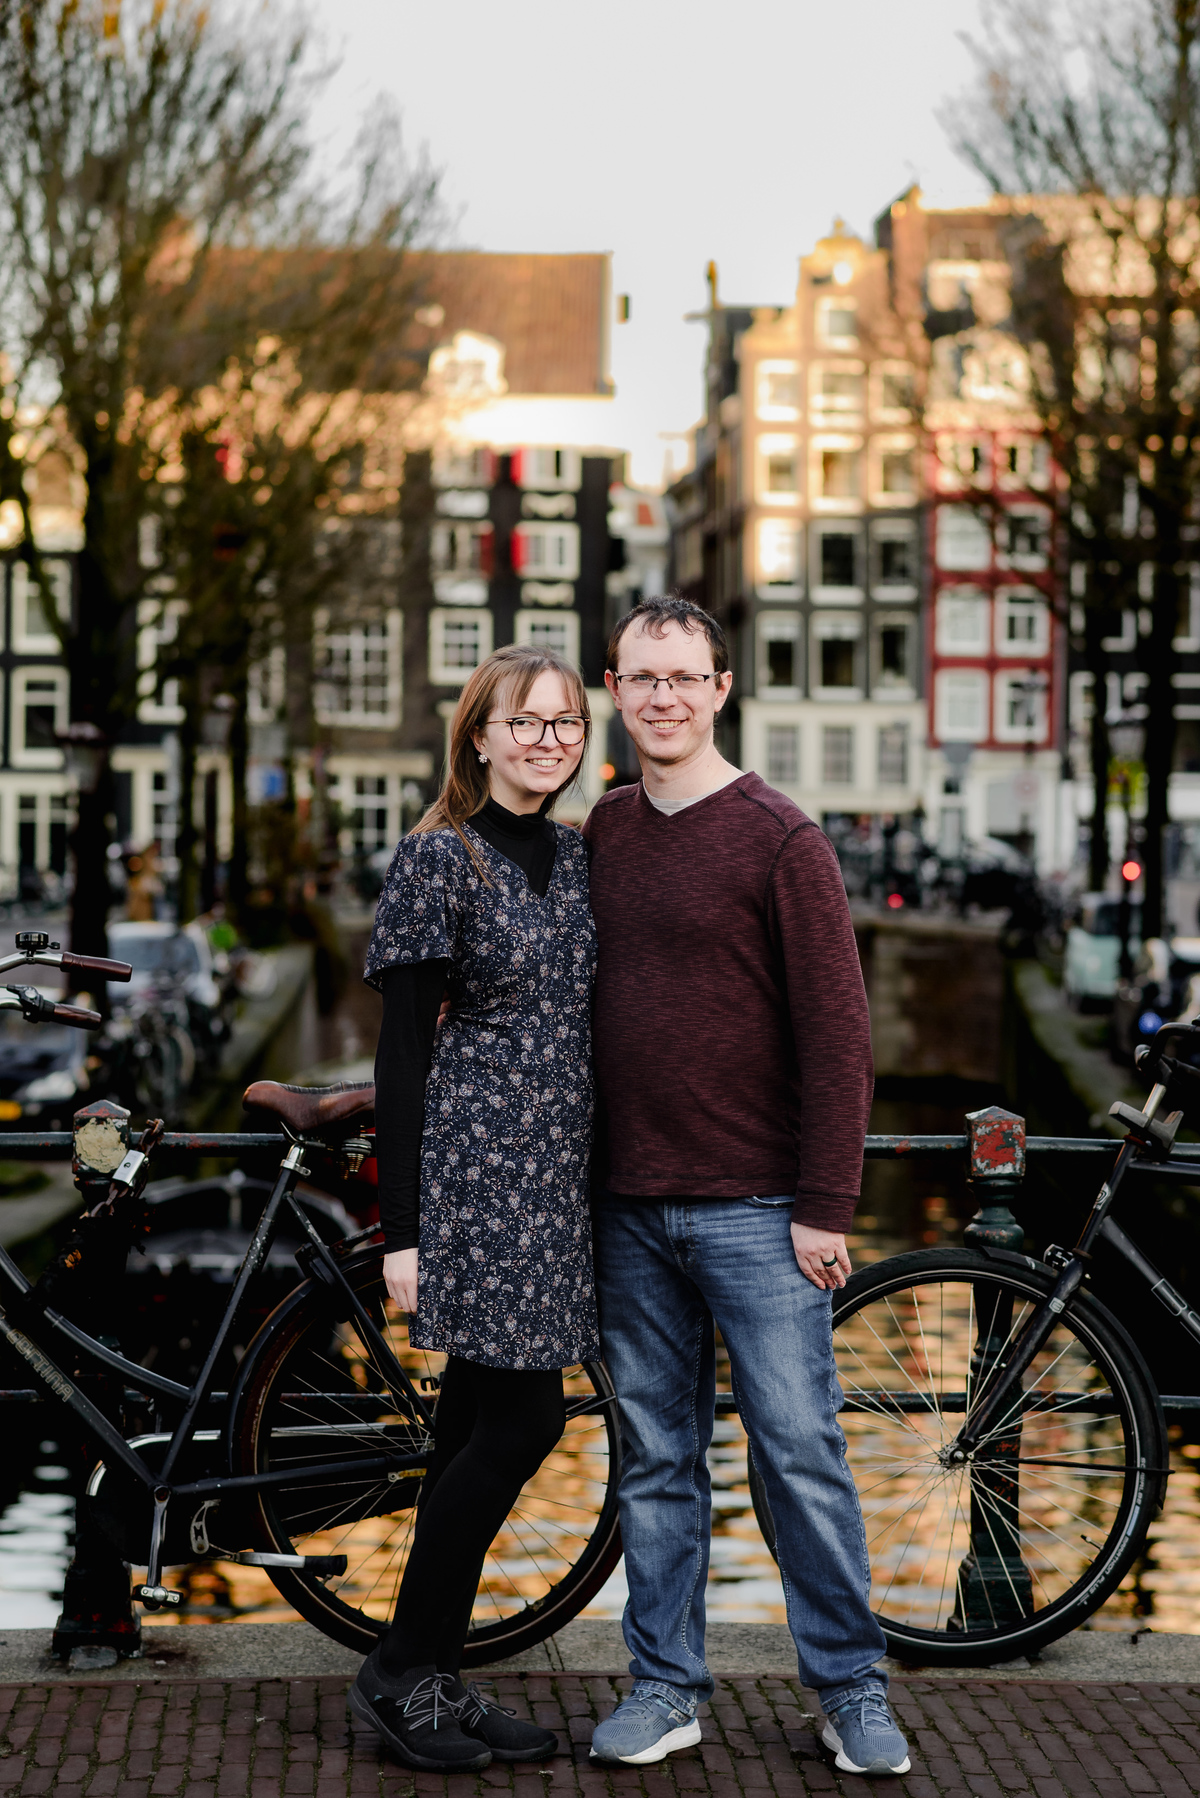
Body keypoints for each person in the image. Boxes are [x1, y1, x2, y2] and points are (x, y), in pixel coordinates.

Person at [583, 596, 910, 1779]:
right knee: (656, 1461)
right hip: (624, 1205)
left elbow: (840, 1037)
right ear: (613, 690)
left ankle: (850, 1685)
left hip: (759, 1207)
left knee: (799, 1452)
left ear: (721, 688)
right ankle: (665, 1686)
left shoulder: (784, 839)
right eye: (639, 678)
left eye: (682, 677)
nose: (661, 697)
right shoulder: (603, 831)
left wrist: (828, 1202)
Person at [354, 643, 598, 1773]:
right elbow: (402, 1055)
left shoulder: (580, 855)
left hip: (558, 1176)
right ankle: (402, 1670)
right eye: (527, 720)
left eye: (565, 722)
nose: (549, 738)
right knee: (527, 1420)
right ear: (480, 736)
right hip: (476, 1171)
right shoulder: (436, 859)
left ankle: (433, 1678)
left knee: (467, 1425)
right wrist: (401, 1228)